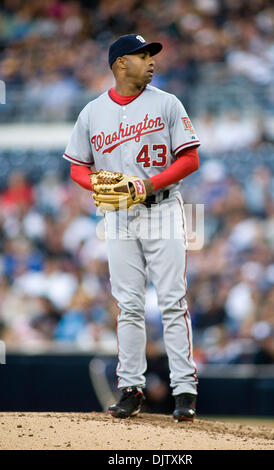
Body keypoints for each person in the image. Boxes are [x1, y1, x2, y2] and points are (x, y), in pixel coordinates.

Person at [63, 34, 200, 422]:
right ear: (121, 63)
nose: (152, 61)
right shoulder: (92, 112)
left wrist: (147, 185)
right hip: (119, 215)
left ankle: (184, 390)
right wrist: (101, 186)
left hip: (161, 208)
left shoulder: (167, 103)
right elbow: (77, 167)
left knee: (173, 300)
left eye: (151, 55)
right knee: (129, 305)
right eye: (143, 56)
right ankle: (130, 389)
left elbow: (189, 160)